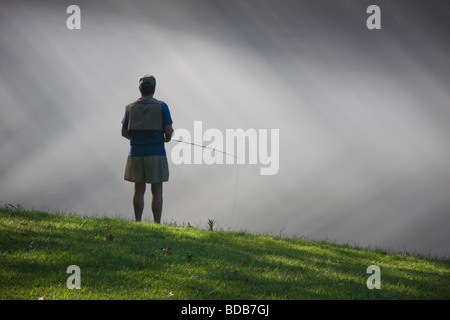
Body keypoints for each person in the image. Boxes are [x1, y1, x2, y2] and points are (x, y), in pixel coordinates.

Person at [121, 75, 173, 223]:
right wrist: (166, 139)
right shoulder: (162, 106)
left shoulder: (130, 107)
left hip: (136, 154)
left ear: (140, 88)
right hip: (156, 153)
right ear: (154, 89)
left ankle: (138, 221)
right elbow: (169, 131)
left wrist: (137, 140)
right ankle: (156, 223)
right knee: (157, 191)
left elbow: (124, 132)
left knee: (138, 190)